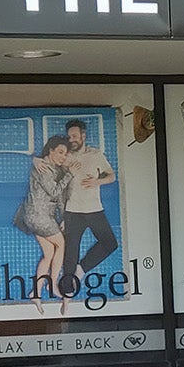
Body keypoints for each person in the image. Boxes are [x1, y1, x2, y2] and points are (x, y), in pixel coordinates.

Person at [58, 118, 118, 295]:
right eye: (69, 137)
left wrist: (96, 181)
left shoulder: (96, 155)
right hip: (72, 211)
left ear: (83, 136)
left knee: (110, 244)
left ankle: (81, 270)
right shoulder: (65, 156)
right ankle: (67, 289)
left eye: (74, 136)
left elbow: (112, 176)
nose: (71, 140)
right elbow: (48, 161)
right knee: (70, 252)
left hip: (94, 209)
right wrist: (61, 217)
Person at [14, 137, 71, 314]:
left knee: (49, 253)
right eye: (60, 152)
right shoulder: (43, 167)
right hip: (38, 216)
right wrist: (70, 175)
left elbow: (59, 198)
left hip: (40, 216)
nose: (63, 156)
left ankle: (36, 293)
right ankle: (53, 284)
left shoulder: (53, 168)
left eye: (65, 154)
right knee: (61, 244)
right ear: (50, 150)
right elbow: (54, 191)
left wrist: (63, 217)